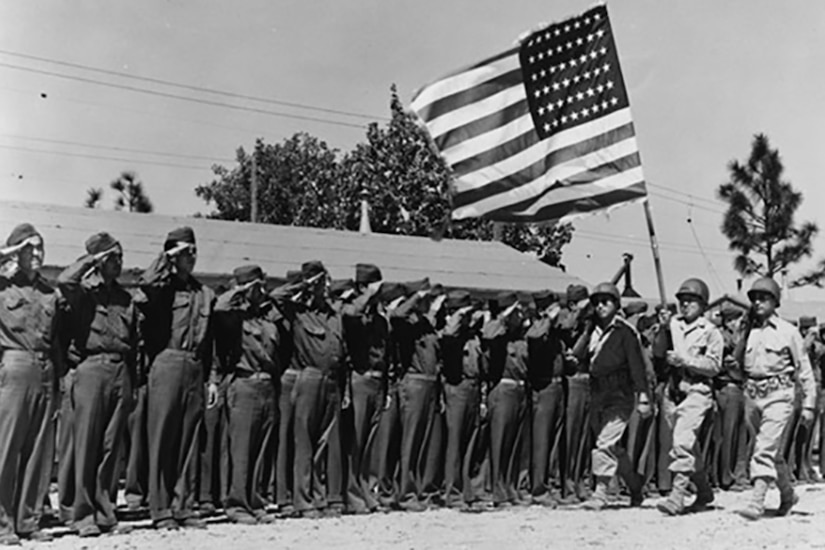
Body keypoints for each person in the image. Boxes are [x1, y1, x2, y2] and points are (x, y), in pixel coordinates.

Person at [57, 233, 138, 536]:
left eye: (120, 257)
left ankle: (106, 512)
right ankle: (83, 515)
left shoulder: (125, 297)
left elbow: (135, 341)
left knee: (110, 448)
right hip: (91, 369)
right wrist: (91, 260)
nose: (119, 262)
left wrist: (134, 382)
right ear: (100, 261)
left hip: (120, 370)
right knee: (87, 446)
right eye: (112, 257)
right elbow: (65, 281)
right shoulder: (83, 293)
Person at [138, 226, 215, 530]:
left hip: (195, 366)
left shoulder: (203, 293)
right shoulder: (163, 288)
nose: (191, 257)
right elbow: (146, 283)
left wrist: (211, 378)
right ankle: (160, 508)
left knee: (188, 438)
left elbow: (209, 344)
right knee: (162, 437)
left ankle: (183, 505)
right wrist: (166, 256)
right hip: (166, 362)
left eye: (193, 251)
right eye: (185, 252)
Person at [0, 224, 63, 544]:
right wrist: (6, 253)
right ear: (15, 253)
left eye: (40, 247)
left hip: (46, 368)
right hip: (14, 365)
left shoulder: (50, 293)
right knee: (6, 448)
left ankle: (27, 519)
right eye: (29, 248)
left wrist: (60, 381)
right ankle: (2, 523)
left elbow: (59, 342)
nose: (37, 254)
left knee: (38, 450)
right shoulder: (3, 287)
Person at [270, 261, 347, 518]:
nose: (326, 287)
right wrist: (305, 284)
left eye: (326, 282)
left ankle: (319, 496)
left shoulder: (334, 315)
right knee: (303, 442)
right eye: (321, 283)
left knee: (323, 442)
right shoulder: (298, 312)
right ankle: (302, 500)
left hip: (332, 379)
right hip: (308, 378)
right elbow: (275, 297)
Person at [736, 277, 816, 520]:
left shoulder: (788, 332)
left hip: (779, 395)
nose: (758, 302)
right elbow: (739, 368)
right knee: (773, 453)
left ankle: (757, 500)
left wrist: (809, 405)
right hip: (752, 394)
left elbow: (804, 369)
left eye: (764, 298)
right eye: (754, 299)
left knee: (764, 448)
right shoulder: (747, 331)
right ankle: (787, 494)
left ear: (775, 302)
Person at [212, 265, 281, 524]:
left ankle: (255, 501)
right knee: (240, 449)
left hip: (266, 385)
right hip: (244, 384)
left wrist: (262, 293)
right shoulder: (234, 317)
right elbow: (219, 308)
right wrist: (241, 289)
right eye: (257, 286)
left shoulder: (266, 317)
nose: (262, 290)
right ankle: (236, 504)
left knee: (261, 448)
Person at [579, 282, 650, 511]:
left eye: (605, 302)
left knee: (604, 444)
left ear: (616, 305)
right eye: (596, 303)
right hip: (598, 395)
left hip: (621, 394)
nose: (600, 307)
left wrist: (643, 397)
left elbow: (637, 366)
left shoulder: (625, 332)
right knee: (614, 449)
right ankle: (635, 486)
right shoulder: (591, 331)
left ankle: (600, 493)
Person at [655, 278, 723, 515]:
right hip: (673, 391)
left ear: (703, 305)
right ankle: (704, 492)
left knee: (682, 442)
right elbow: (657, 353)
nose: (685, 305)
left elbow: (714, 366)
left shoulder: (711, 332)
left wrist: (686, 361)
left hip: (697, 389)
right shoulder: (672, 325)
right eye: (682, 301)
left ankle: (677, 495)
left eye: (691, 301)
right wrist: (663, 329)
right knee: (689, 447)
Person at [389, 280, 444, 512]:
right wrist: (417, 296)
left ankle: (422, 491)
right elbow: (397, 315)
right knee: (410, 442)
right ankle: (405, 493)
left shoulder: (426, 324)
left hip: (430, 385)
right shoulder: (407, 322)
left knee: (425, 442)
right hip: (413, 383)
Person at [342, 264, 389, 514]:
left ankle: (368, 492)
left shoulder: (381, 319)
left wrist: (387, 387)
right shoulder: (353, 311)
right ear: (361, 287)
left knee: (372, 441)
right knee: (356, 442)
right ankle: (352, 495)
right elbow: (350, 315)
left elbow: (386, 355)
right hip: (359, 379)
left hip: (377, 382)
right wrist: (367, 295)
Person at [482, 292, 530, 509]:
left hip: (519, 390)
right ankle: (497, 491)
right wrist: (504, 315)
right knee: (499, 443)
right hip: (502, 389)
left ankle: (510, 488)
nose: (518, 315)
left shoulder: (521, 336)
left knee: (514, 444)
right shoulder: (496, 332)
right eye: (515, 311)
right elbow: (489, 333)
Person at [440, 290, 485, 510]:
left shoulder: (473, 335)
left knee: (472, 443)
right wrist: (458, 315)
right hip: (457, 389)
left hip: (474, 389)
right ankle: (454, 493)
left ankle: (471, 492)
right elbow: (449, 334)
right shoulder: (450, 335)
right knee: (455, 443)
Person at [525, 290, 565, 506]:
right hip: (543, 387)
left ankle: (548, 485)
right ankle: (538, 490)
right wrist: (548, 318)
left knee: (553, 440)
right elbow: (534, 337)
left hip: (558, 385)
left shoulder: (552, 327)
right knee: (541, 441)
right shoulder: (537, 326)